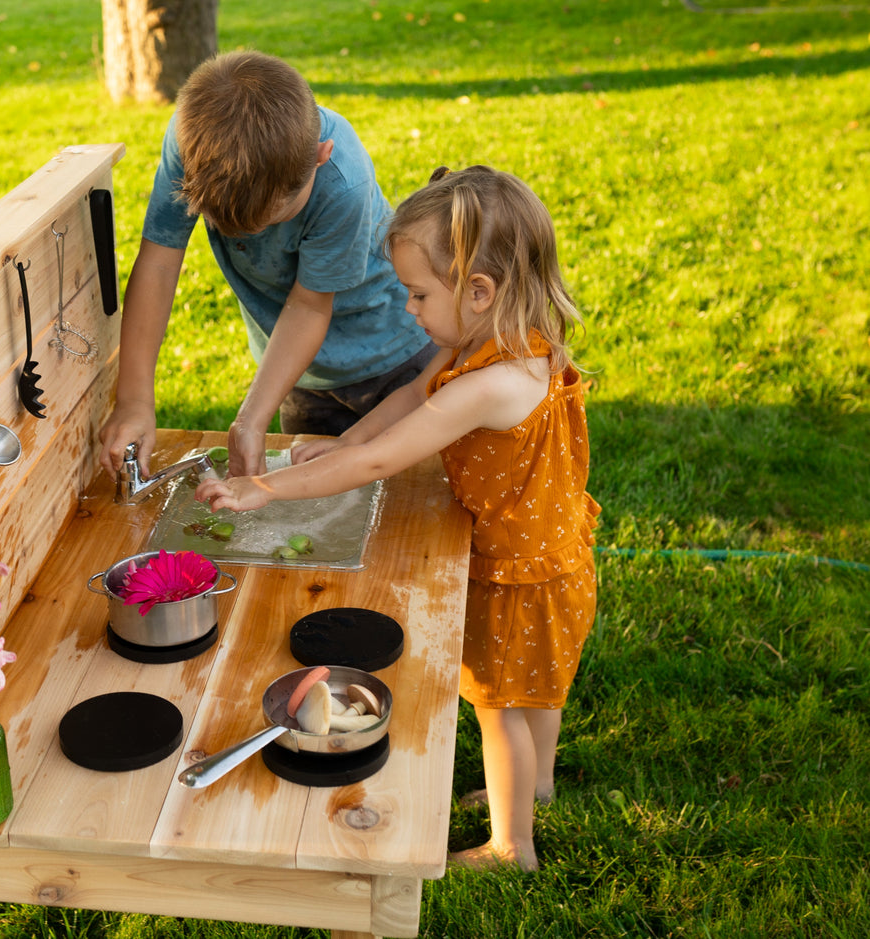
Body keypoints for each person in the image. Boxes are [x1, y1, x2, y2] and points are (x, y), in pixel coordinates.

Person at [196, 165, 600, 872]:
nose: (407, 308)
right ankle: (537, 786)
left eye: (417, 293)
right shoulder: (501, 337)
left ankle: (513, 846)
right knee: (537, 686)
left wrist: (268, 485)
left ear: (479, 291)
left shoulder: (490, 383)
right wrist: (347, 440)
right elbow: (412, 394)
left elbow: (381, 464)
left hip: (518, 575)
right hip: (552, 557)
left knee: (498, 706)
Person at [96, 50, 433, 481]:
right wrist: (133, 400)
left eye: (274, 219)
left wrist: (251, 418)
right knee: (315, 505)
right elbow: (160, 263)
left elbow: (310, 304)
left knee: (412, 499)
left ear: (320, 155)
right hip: (295, 368)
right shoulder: (193, 140)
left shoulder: (342, 183)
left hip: (395, 358)